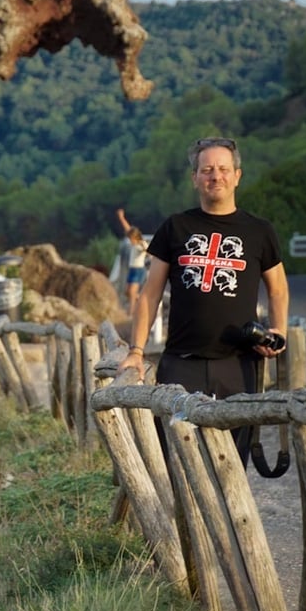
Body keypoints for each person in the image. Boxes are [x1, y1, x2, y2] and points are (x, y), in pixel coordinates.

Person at [117, 136, 289, 466]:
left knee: (233, 463)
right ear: (194, 177)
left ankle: (227, 520)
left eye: (223, 169)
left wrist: (278, 329)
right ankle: (179, 519)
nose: (216, 176)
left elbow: (278, 288)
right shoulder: (176, 226)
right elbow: (150, 294)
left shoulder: (259, 231)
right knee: (177, 460)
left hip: (239, 363)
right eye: (207, 169)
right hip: (181, 361)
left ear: (237, 175)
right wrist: (136, 352)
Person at [116, 208, 149, 314]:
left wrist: (145, 250)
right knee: (128, 292)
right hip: (132, 270)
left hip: (138, 270)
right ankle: (139, 299)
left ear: (135, 238)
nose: (130, 241)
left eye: (131, 239)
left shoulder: (141, 244)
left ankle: (131, 313)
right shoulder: (134, 243)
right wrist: (121, 218)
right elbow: (127, 229)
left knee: (132, 293)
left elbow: (148, 251)